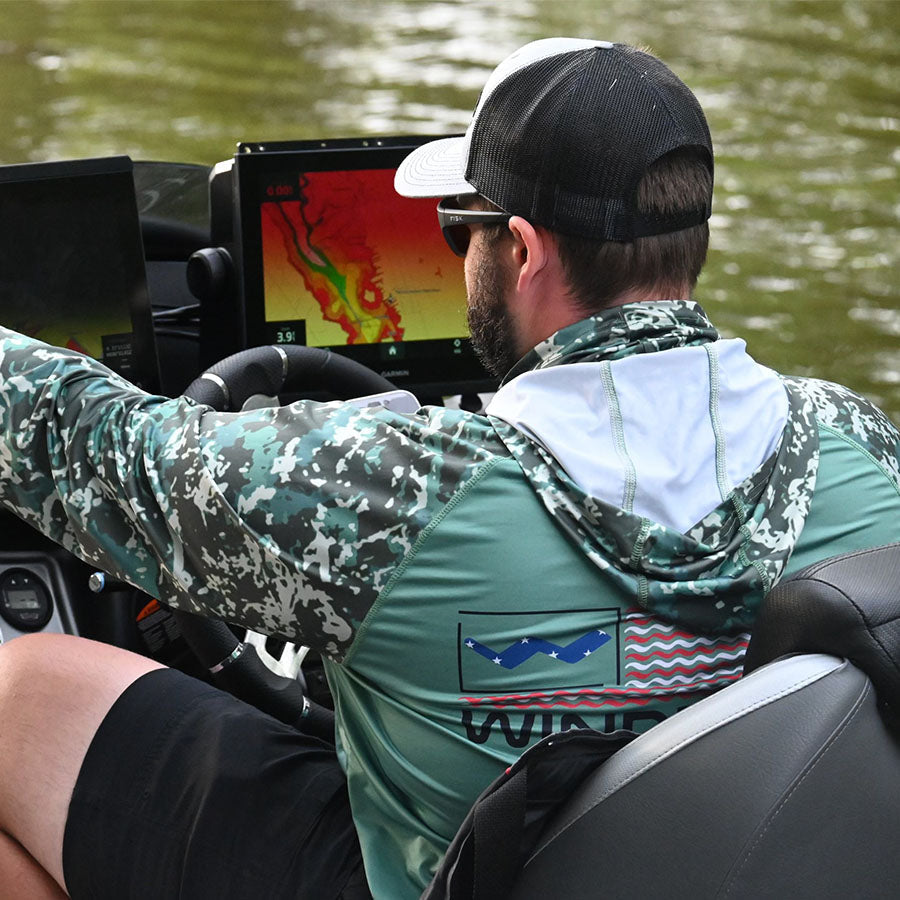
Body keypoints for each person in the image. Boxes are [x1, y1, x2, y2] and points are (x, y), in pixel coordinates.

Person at [0, 36, 897, 900]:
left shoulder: (391, 492)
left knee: (21, 689)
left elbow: (99, 450)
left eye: (456, 230)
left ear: (523, 249)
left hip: (454, 875)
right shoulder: (864, 449)